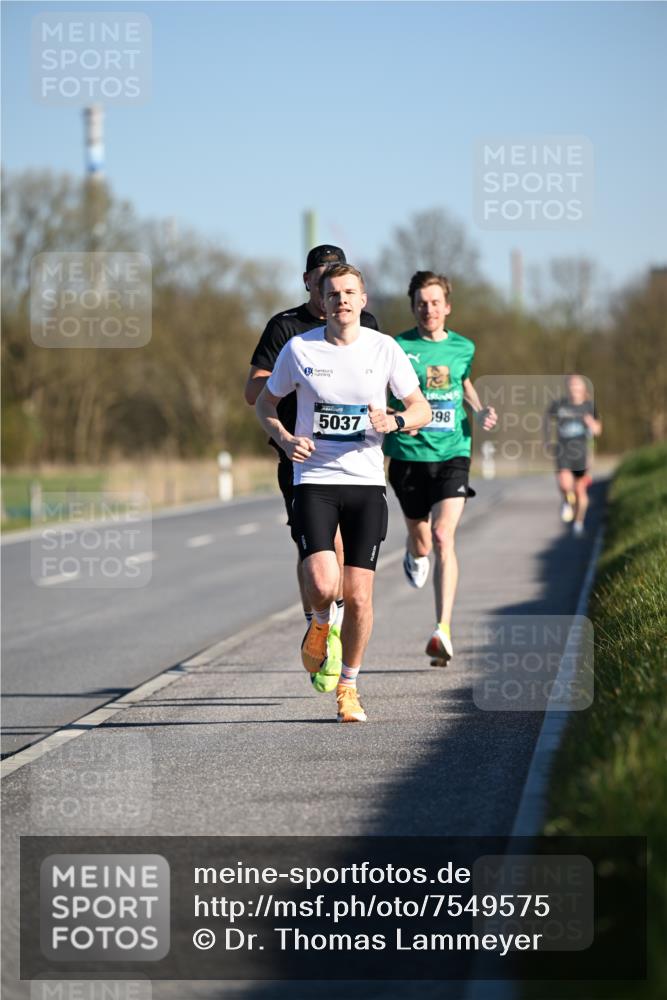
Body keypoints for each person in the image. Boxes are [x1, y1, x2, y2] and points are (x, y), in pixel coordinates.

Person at [255, 263, 431, 722]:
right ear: (323, 300)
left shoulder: (384, 348)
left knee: (359, 596)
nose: (342, 301)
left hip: (366, 483)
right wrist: (285, 439)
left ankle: (348, 688)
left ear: (363, 299)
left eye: (350, 293)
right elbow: (264, 403)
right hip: (314, 479)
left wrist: (395, 420)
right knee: (321, 582)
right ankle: (319, 623)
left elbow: (422, 408)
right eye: (333, 294)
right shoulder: (299, 349)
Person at [244, 246, 379, 692]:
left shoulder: (367, 327)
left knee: (343, 558)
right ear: (309, 282)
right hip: (301, 458)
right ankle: (318, 622)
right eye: (322, 278)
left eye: (340, 281)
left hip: (355, 463)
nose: (332, 290)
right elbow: (255, 393)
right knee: (319, 552)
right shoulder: (287, 330)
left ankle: (330, 628)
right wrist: (298, 379)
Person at [384, 271, 497, 665]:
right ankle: (414, 552)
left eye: (435, 302)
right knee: (423, 542)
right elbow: (381, 390)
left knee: (443, 535)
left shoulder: (464, 347)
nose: (428, 309)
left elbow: (463, 382)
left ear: (447, 306)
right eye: (421, 303)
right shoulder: (397, 347)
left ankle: (442, 630)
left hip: (453, 452)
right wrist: (392, 417)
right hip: (408, 456)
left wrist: (479, 410)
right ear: (413, 307)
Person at [544, 374, 602, 536]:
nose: (574, 388)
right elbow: (547, 420)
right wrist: (547, 440)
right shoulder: (559, 405)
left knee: (580, 491)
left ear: (583, 388)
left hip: (582, 454)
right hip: (563, 451)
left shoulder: (589, 406)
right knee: (564, 484)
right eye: (571, 385)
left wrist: (591, 423)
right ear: (567, 388)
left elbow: (598, 430)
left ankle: (578, 522)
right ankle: (566, 500)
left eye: (577, 385)